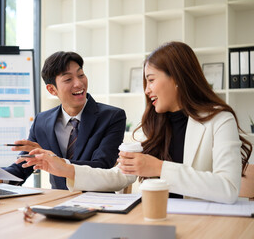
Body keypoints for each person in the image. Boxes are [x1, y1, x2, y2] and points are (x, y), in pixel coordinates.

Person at [18, 41, 252, 204]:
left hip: (202, 224)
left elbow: (228, 188)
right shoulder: (155, 123)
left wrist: (158, 168)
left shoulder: (219, 120)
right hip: (154, 217)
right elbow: (119, 176)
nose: (147, 90)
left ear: (177, 78)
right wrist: (66, 168)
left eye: (151, 80)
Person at [0, 51, 126, 190]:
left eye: (81, 75)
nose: (79, 84)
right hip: (56, 203)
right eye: (68, 79)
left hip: (98, 202)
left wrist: (57, 162)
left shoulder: (112, 117)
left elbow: (102, 167)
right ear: (52, 90)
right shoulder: (41, 121)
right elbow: (22, 168)